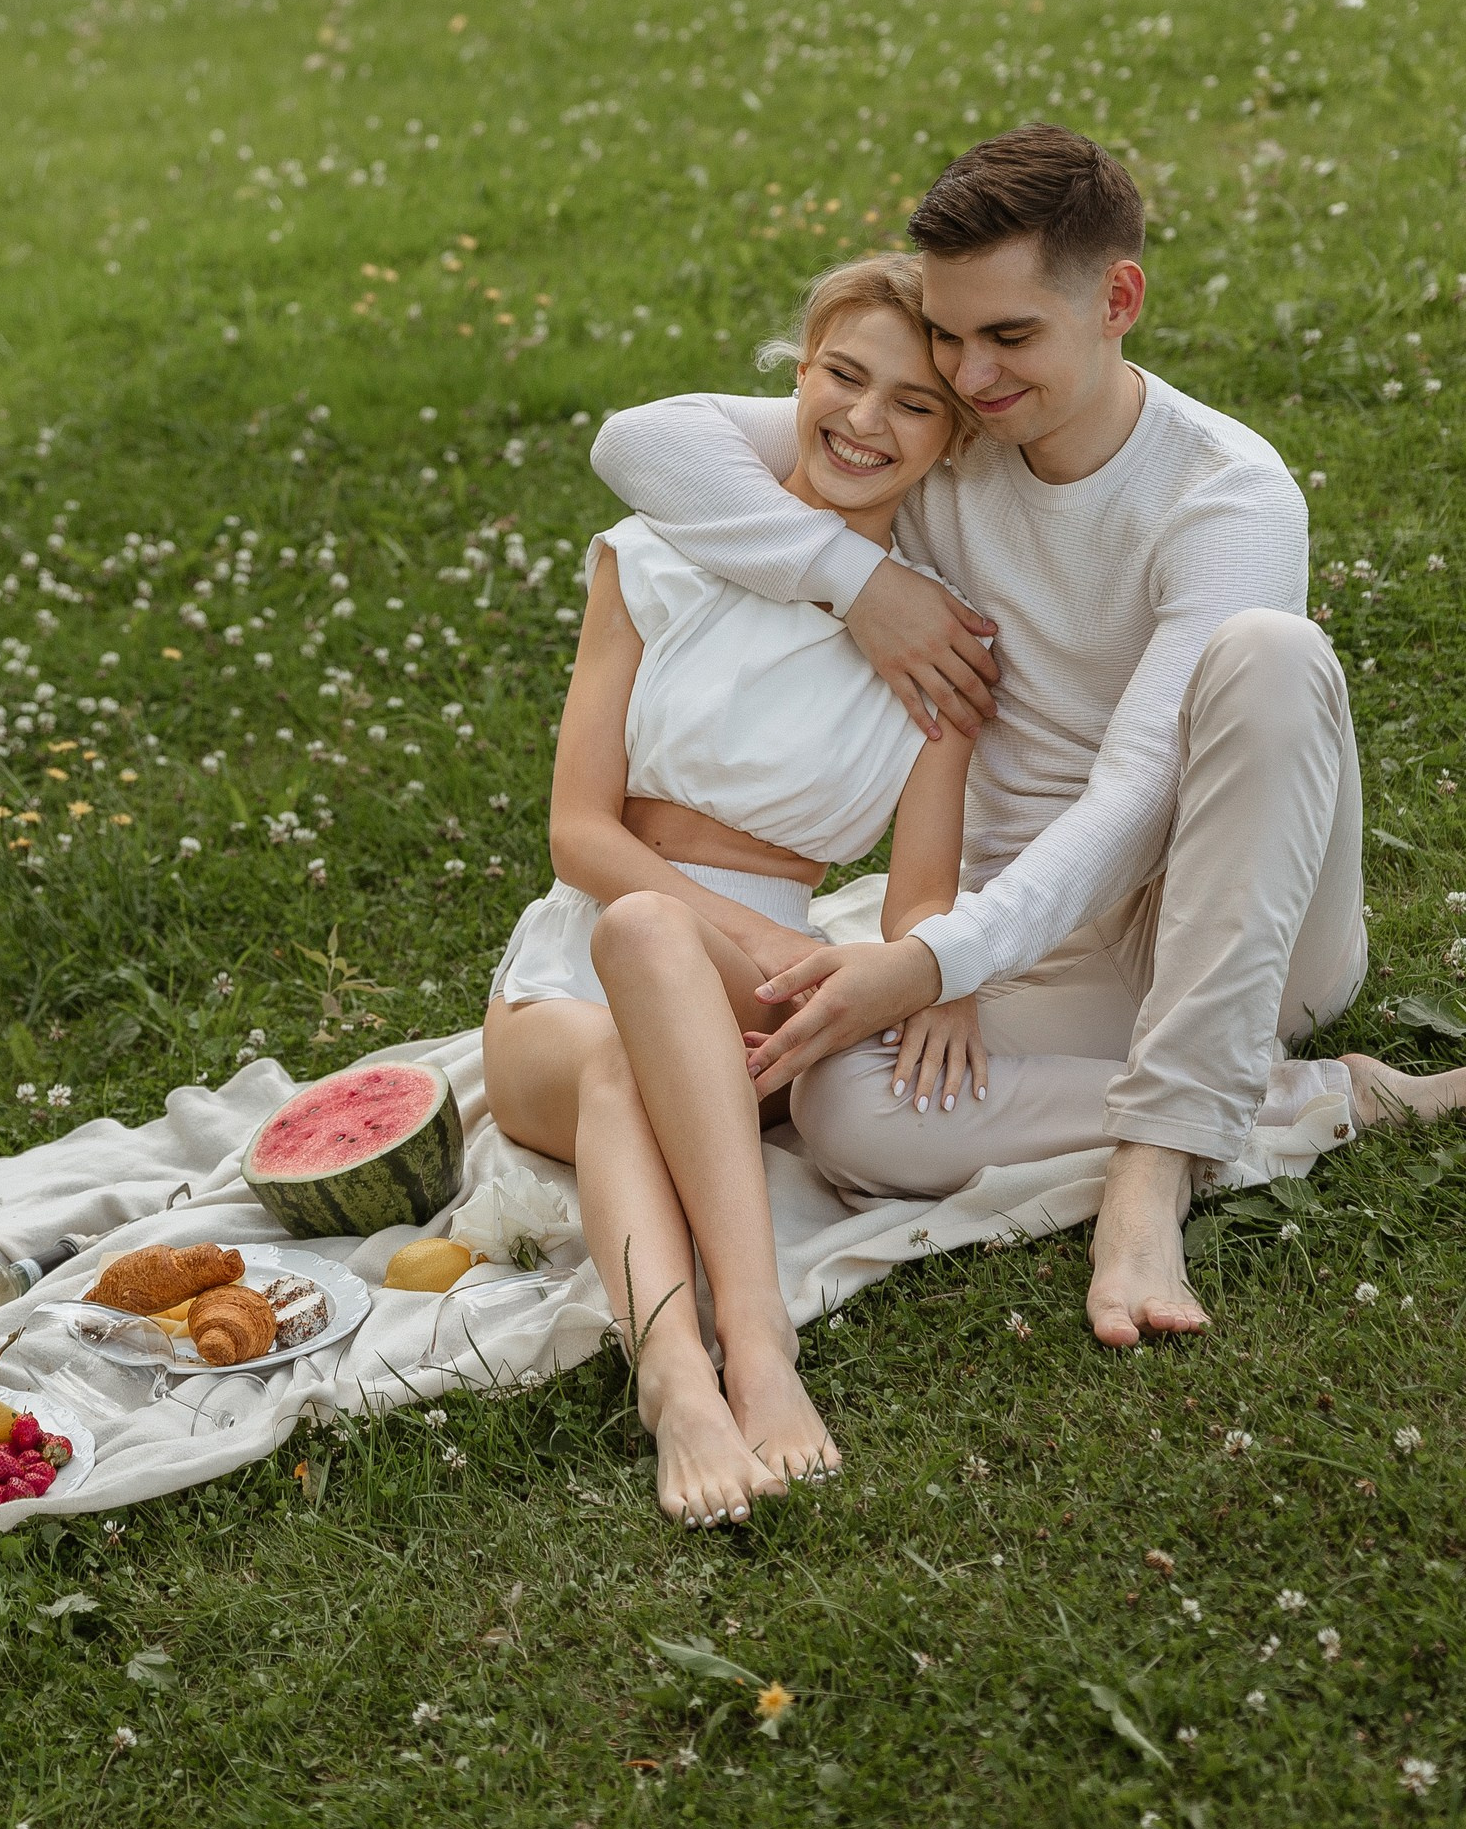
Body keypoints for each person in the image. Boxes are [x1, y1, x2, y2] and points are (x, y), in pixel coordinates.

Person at [590, 123, 1465, 1349]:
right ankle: (1323, 1098)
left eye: (1008, 336)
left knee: (1269, 655)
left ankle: (1153, 1177)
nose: (971, 373)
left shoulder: (1224, 490)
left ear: (1117, 300)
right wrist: (855, 579)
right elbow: (638, 441)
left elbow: (1137, 787)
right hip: (1039, 950)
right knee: (843, 1110)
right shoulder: (948, 436)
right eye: (947, 335)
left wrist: (939, 957)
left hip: (1243, 918)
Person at [481, 255, 978, 1528]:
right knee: (636, 948)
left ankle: (729, 1363)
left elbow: (918, 893)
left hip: (757, 998)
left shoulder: (941, 641)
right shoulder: (651, 558)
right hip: (573, 967)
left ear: (952, 436)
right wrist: (751, 929)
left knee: (653, 972)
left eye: (913, 405)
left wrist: (945, 973)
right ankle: (700, 1373)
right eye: (841, 377)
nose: (864, 422)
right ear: (796, 378)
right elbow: (577, 834)